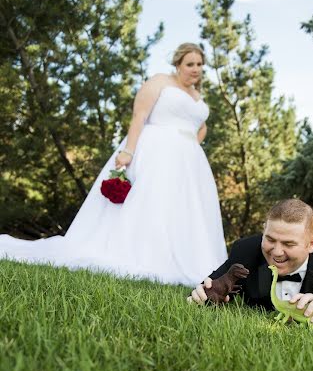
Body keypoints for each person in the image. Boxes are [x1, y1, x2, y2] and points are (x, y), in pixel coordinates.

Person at [0, 43, 227, 286]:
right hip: (156, 151)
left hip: (189, 162)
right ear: (178, 64)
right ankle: (145, 255)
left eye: (200, 64)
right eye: (190, 64)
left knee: (183, 208)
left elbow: (201, 126)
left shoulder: (197, 96)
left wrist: (191, 143)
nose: (195, 69)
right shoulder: (161, 81)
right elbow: (139, 115)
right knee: (154, 201)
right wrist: (128, 151)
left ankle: (184, 257)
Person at [189, 199, 313, 333]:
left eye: (288, 244)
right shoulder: (245, 250)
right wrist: (202, 294)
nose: (276, 252)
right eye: (270, 239)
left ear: (312, 244)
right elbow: (211, 287)